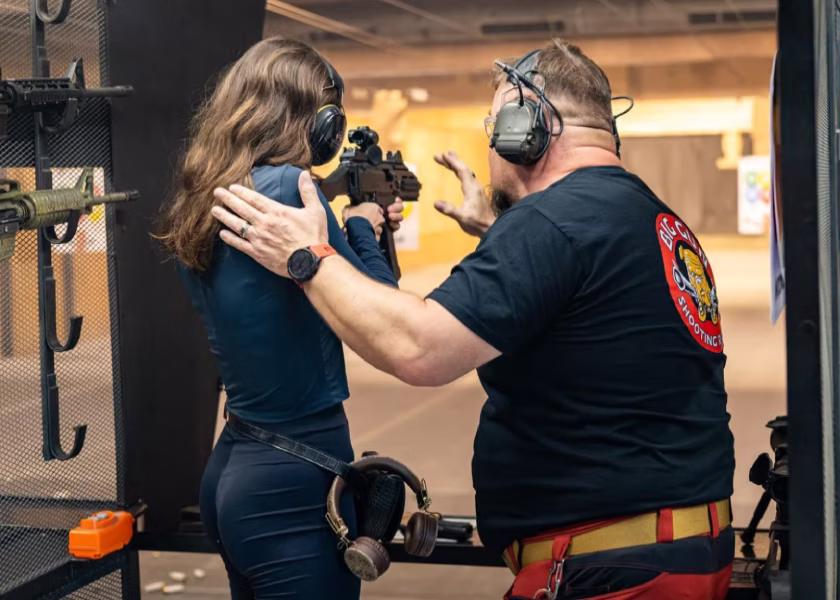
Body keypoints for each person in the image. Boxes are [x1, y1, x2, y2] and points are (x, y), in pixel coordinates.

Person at [210, 38, 735, 600]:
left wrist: (308, 254)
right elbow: (586, 303)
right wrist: (498, 234)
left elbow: (418, 348)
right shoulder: (647, 214)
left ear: (525, 126)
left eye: (495, 124)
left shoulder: (553, 224)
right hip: (666, 550)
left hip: (610, 568)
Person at [153, 37, 404, 599]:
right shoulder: (295, 192)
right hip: (295, 480)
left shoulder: (210, 197)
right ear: (306, 121)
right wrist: (362, 225)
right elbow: (379, 309)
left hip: (236, 464)